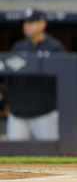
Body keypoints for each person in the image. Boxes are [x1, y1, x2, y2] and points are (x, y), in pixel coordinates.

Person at [6, 8, 65, 141]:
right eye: (25, 22)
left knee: (50, 157)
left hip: (45, 113)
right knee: (13, 157)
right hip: (18, 113)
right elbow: (9, 79)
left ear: (42, 24)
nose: (27, 26)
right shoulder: (18, 47)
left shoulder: (55, 47)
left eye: (31, 22)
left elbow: (64, 80)